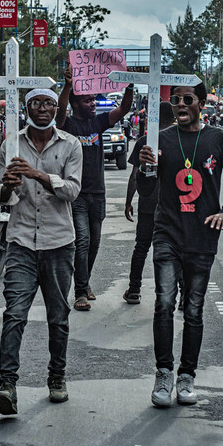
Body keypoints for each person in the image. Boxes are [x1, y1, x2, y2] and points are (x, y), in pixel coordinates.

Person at [137, 83, 223, 408]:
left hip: (202, 239)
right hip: (167, 234)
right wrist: (146, 166)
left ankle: (187, 376)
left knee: (195, 309)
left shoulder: (220, 139)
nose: (181, 104)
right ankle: (164, 374)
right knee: (164, 302)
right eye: (176, 100)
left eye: (188, 99)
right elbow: (146, 189)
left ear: (201, 103)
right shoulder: (160, 141)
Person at [0, 88, 83, 416]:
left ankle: (57, 376)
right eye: (36, 103)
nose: (43, 109)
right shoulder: (11, 145)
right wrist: (9, 186)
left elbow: (72, 191)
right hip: (21, 242)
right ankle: (7, 386)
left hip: (58, 243)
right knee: (14, 314)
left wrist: (39, 175)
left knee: (58, 317)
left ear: (57, 109)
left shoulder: (70, 144)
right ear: (27, 108)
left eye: (49, 104)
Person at [56, 64, 134, 311]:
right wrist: (68, 85)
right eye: (88, 100)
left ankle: (84, 281)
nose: (93, 104)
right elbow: (59, 114)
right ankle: (79, 292)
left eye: (93, 99)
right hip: (76, 194)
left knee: (95, 242)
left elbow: (123, 109)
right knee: (82, 240)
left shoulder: (98, 123)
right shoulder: (67, 125)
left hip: (98, 193)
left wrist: (129, 84)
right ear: (76, 103)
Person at [123, 102, 176, 304]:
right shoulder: (178, 141)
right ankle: (178, 293)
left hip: (147, 203)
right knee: (174, 249)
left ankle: (134, 289)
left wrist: (128, 202)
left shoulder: (146, 141)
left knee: (141, 247)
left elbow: (135, 175)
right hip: (172, 205)